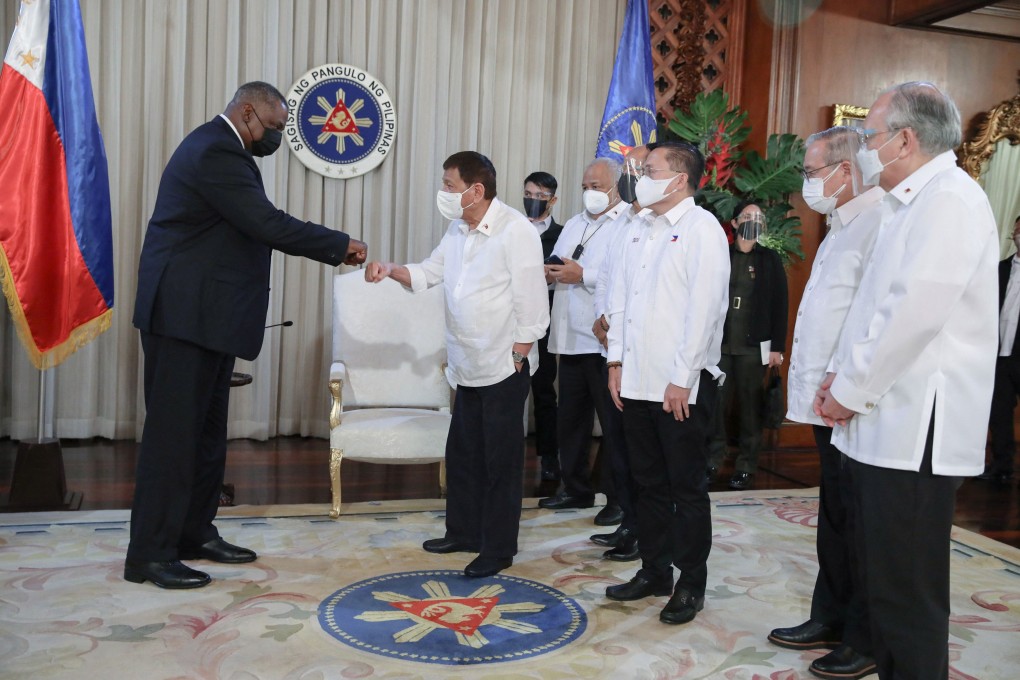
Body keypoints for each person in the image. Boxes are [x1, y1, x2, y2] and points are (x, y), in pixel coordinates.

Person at [126, 82, 367, 589]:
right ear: (248, 110)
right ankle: (149, 553)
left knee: (207, 436)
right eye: (276, 127)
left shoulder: (231, 151)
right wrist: (339, 244)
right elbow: (266, 224)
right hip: (182, 318)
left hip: (206, 318)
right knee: (174, 439)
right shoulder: (215, 148)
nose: (277, 138)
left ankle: (194, 532)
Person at [815, 82, 998, 679]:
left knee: (907, 592)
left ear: (905, 139)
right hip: (883, 419)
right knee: (883, 578)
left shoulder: (950, 200)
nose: (865, 148)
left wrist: (847, 390)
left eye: (869, 136)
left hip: (916, 428)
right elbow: (873, 307)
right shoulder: (907, 202)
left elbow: (910, 316)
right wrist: (841, 375)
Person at [365, 151, 549, 578]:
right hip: (466, 362)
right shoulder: (457, 229)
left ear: (476, 190)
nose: (443, 193)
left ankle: (498, 547)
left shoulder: (515, 231)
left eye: (449, 185)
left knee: (499, 461)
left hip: (505, 364)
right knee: (464, 453)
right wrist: (391, 269)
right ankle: (463, 532)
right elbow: (430, 273)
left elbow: (533, 303)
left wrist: (520, 354)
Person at [767, 126, 883, 680]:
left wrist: (842, 388)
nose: (808, 183)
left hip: (852, 400)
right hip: (824, 398)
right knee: (834, 514)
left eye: (813, 173)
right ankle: (829, 615)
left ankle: (865, 635)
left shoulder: (879, 222)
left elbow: (872, 322)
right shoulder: (841, 223)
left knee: (860, 522)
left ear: (847, 169)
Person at [604, 141, 729, 626]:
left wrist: (682, 378)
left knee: (686, 488)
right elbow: (619, 296)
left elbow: (705, 310)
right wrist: (615, 361)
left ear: (679, 179)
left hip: (680, 388)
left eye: (650, 170)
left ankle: (690, 583)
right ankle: (653, 570)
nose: (640, 177)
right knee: (647, 482)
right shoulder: (639, 226)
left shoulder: (703, 231)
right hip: (634, 379)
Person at [539, 158, 632, 539]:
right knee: (571, 421)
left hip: (602, 341)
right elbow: (560, 264)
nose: (590, 192)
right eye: (585, 185)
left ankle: (617, 500)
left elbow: (622, 276)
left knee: (613, 425)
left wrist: (583, 275)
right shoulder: (576, 223)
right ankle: (575, 489)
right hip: (568, 338)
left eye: (597, 185)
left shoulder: (628, 223)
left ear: (615, 187)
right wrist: (551, 270)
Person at [587, 143, 655, 559]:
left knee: (640, 453)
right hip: (610, 350)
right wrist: (602, 319)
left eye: (640, 167)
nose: (632, 173)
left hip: (641, 357)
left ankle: (643, 530)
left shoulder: (660, 224)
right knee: (617, 444)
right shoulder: (620, 221)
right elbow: (607, 278)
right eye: (628, 167)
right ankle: (628, 522)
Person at [707, 201, 788, 490]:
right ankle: (712, 461)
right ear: (735, 223)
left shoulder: (769, 259)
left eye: (758, 217)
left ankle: (745, 466)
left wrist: (777, 347)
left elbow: (780, 304)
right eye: (747, 216)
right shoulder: (722, 255)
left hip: (754, 348)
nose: (753, 221)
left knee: (750, 409)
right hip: (721, 345)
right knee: (715, 406)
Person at [523, 171, 563, 483]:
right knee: (507, 387)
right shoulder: (512, 229)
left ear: (552, 199)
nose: (533, 201)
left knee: (544, 390)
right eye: (529, 194)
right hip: (511, 319)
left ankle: (549, 456)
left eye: (540, 196)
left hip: (546, 321)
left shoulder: (564, 234)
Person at [984, 216, 1020, 486]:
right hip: (999, 356)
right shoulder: (1000, 269)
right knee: (999, 414)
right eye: (1017, 229)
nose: (1018, 233)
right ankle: (1001, 466)